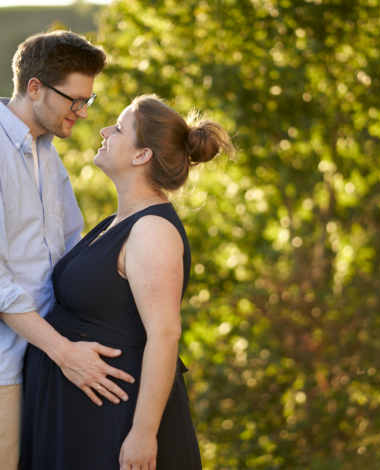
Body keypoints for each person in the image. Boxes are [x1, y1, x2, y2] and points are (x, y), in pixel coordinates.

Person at [0, 31, 136, 470]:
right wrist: (67, 354)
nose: (83, 112)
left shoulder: (46, 154)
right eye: (74, 100)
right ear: (35, 87)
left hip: (47, 360)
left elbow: (71, 255)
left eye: (88, 100)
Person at [20, 94, 235, 470]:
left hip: (115, 421)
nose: (105, 131)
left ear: (142, 155)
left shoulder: (152, 230)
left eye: (119, 129)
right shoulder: (118, 221)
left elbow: (165, 335)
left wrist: (143, 433)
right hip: (80, 414)